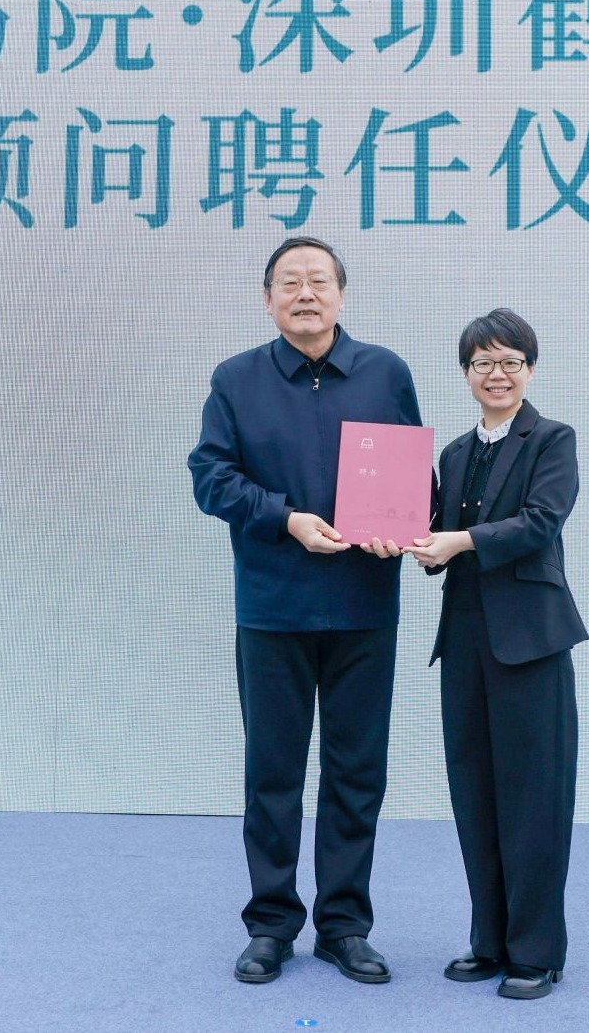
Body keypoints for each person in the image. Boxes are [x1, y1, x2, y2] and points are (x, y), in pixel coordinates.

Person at [189, 237, 421, 986]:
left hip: (363, 605)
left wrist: (402, 527)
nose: (305, 294)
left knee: (357, 772)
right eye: (288, 282)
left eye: (318, 280)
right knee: (273, 773)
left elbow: (413, 480)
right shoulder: (236, 379)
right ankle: (270, 925)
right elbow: (210, 477)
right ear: (267, 300)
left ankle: (344, 926)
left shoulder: (385, 373)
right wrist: (284, 518)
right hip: (273, 606)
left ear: (341, 295)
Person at [407, 308, 587, 1001]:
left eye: (510, 361)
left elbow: (540, 522)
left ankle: (536, 951)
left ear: (530, 369)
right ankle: (489, 940)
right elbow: (434, 533)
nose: (497, 374)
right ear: (465, 374)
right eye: (483, 362)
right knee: (474, 791)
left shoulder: (553, 440)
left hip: (531, 641)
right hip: (464, 641)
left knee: (534, 795)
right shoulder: (454, 453)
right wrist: (412, 540)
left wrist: (458, 542)